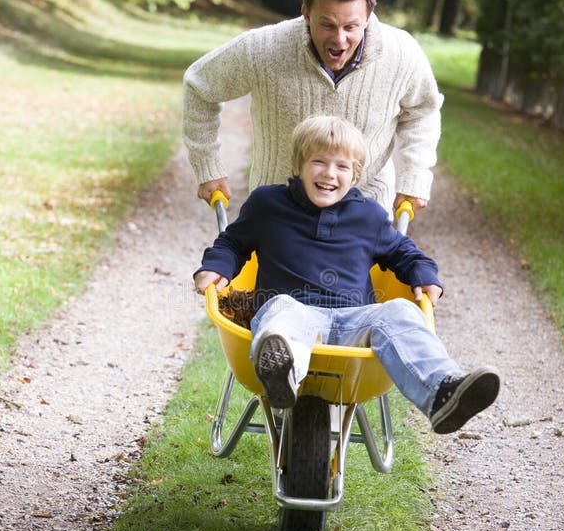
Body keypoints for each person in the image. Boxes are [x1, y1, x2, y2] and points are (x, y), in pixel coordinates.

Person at [194, 115, 500, 435]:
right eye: (319, 161)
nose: (329, 173)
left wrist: (425, 276)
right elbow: (232, 242)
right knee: (281, 309)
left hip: (354, 322)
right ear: (299, 165)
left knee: (399, 310)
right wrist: (215, 268)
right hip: (294, 315)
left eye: (342, 167)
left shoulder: (367, 216)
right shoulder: (268, 204)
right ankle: (283, 374)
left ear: (355, 176)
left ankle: (441, 393)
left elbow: (404, 252)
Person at [183, 0, 443, 216]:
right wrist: (208, 166)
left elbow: (423, 111)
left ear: (367, 17)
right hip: (278, 213)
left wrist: (416, 174)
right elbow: (199, 86)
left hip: (365, 215)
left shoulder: (401, 53)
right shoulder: (263, 48)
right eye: (327, 25)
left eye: (351, 27)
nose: (339, 39)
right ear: (306, 12)